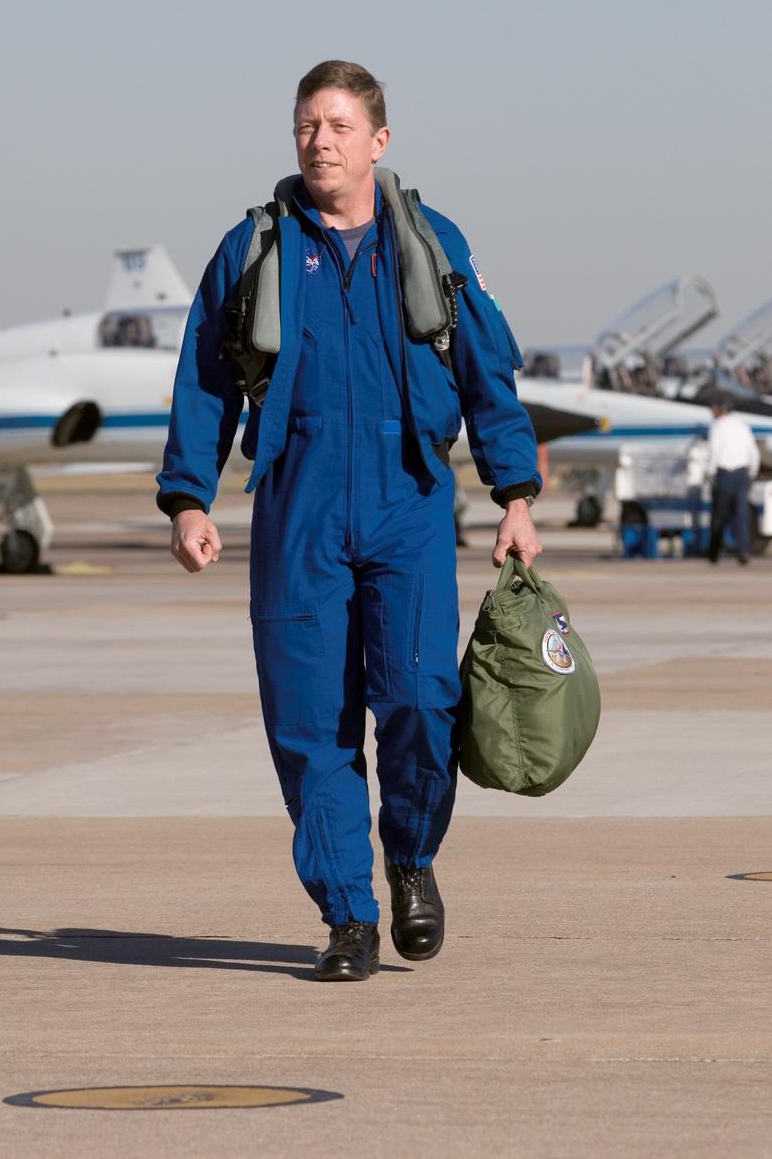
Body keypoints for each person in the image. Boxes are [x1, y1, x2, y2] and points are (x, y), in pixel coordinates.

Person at [157, 60, 542, 981]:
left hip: (410, 502)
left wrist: (516, 497)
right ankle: (348, 917)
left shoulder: (432, 245)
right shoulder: (253, 249)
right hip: (298, 506)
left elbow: (487, 375)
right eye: (306, 124)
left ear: (379, 140)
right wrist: (189, 499)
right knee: (311, 721)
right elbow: (204, 381)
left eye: (337, 126)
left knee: (420, 700)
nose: (318, 140)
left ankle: (410, 857)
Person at [706, 394, 760, 564]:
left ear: (720, 409)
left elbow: (714, 451)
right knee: (741, 514)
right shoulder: (742, 426)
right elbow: (753, 452)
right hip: (742, 475)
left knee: (719, 515)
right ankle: (743, 551)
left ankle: (714, 553)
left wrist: (709, 472)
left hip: (725, 474)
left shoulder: (717, 427)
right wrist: (752, 473)